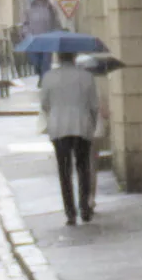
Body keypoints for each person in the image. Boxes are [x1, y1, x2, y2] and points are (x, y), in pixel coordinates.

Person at [40, 52, 100, 225]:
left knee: (64, 170)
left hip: (59, 127)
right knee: (83, 167)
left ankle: (70, 212)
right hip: (82, 125)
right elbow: (94, 105)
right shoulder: (86, 77)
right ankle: (85, 207)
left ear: (58, 57)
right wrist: (92, 124)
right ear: (74, 57)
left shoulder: (49, 77)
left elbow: (44, 104)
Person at [26, 0, 61, 85]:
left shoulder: (50, 9)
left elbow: (55, 22)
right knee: (36, 61)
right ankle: (41, 74)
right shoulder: (30, 10)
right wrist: (26, 34)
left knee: (46, 62)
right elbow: (25, 23)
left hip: (47, 40)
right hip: (34, 40)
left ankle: (44, 79)